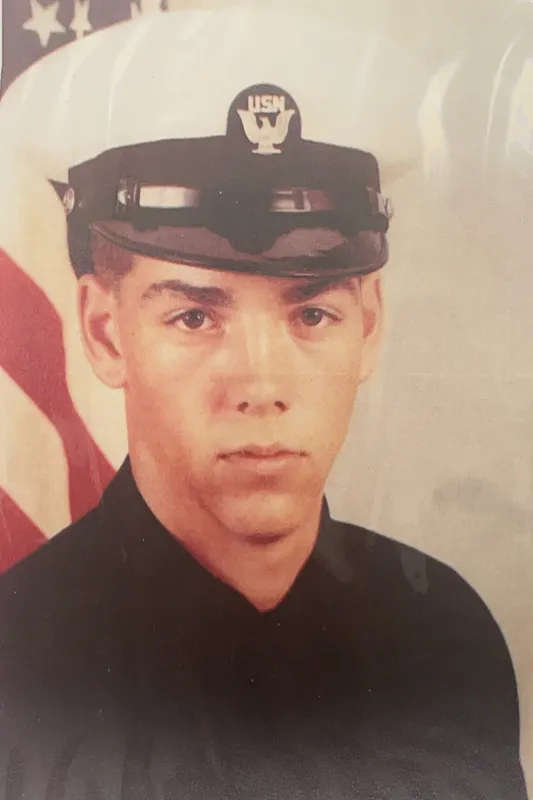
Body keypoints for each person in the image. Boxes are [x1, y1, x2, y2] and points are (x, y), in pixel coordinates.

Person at [0, 9, 527, 799]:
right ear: (105, 334)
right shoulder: (18, 665)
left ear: (369, 327)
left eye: (311, 314)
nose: (260, 385)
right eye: (194, 316)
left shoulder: (441, 638)